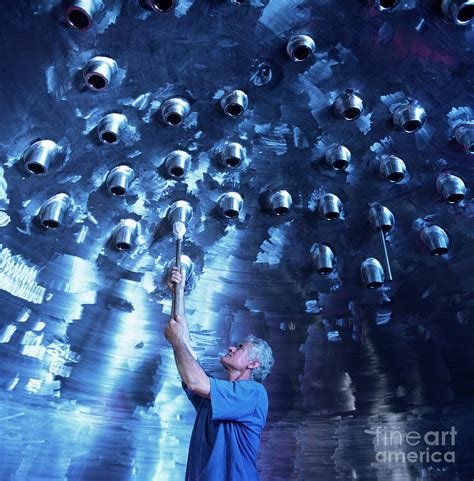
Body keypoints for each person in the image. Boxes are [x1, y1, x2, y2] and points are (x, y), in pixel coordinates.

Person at [164, 266, 275, 481]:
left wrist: (176, 341)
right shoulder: (213, 397)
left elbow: (194, 379)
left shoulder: (254, 394)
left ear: (254, 364)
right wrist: (178, 293)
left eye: (240, 347)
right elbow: (188, 356)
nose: (232, 347)